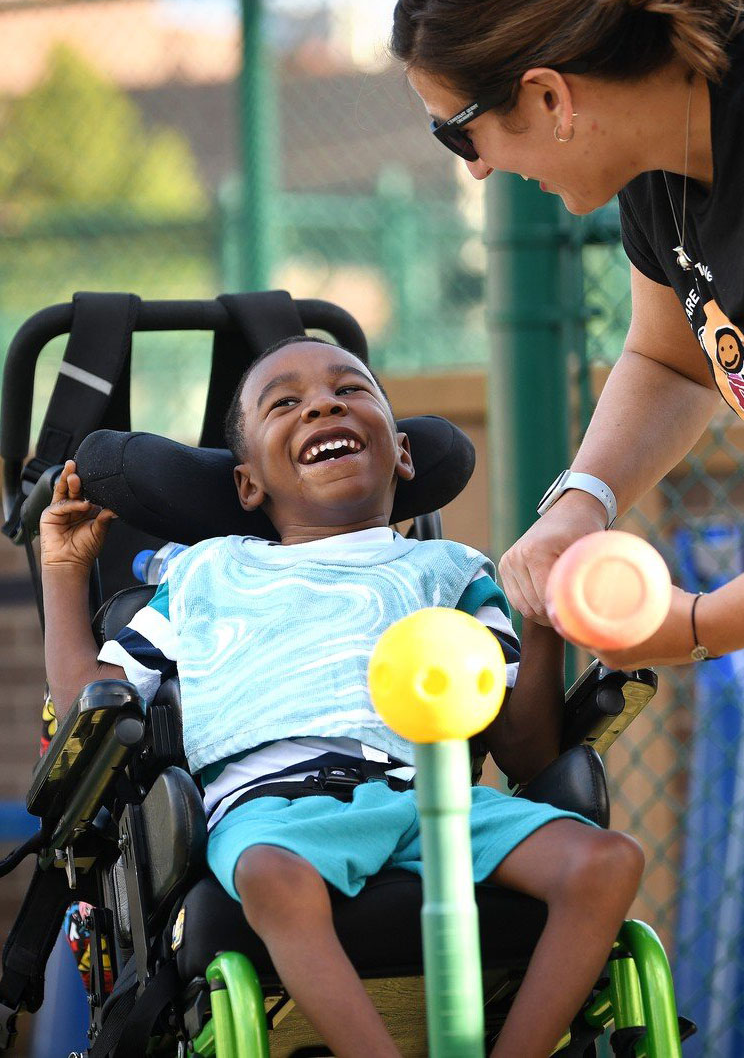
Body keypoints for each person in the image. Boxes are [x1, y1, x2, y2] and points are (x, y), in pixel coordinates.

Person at [40, 336, 643, 1058]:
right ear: (247, 485)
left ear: (404, 454)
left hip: (433, 802)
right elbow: (90, 711)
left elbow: (527, 751)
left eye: (351, 390)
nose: (324, 403)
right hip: (275, 808)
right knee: (269, 874)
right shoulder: (205, 578)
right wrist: (65, 575)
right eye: (285, 403)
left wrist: (541, 621)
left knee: (610, 862)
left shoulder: (451, 572)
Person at [392, 0, 744, 670]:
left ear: (551, 97)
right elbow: (672, 361)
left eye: (457, 129)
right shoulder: (663, 158)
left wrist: (701, 624)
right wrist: (584, 501)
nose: (477, 166)